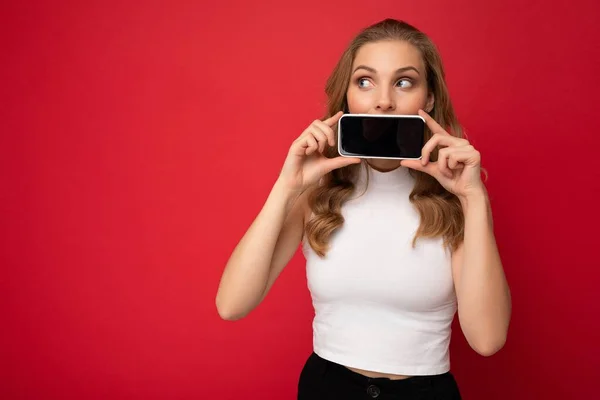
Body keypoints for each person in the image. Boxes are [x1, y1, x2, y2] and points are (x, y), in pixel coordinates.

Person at [216, 18, 512, 400]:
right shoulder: (317, 195)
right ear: (348, 97)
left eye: (404, 82)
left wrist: (475, 200)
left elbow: (488, 339)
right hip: (327, 388)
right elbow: (231, 305)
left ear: (430, 98)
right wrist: (286, 187)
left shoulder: (454, 201)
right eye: (365, 81)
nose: (383, 100)